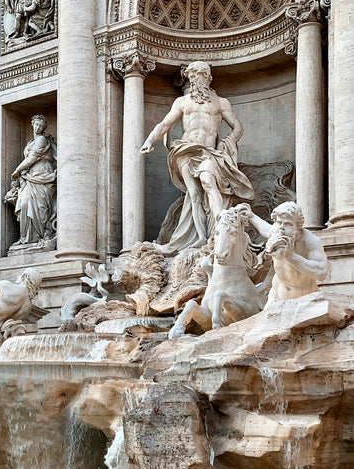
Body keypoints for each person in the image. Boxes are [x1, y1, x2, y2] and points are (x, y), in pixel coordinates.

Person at [140, 61, 254, 254]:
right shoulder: (182, 102)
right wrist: (149, 141)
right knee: (193, 194)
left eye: (198, 75)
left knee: (208, 181)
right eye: (191, 76)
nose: (194, 80)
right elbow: (164, 124)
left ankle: (222, 228)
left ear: (207, 77)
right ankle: (201, 237)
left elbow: (238, 127)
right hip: (185, 150)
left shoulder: (220, 102)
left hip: (208, 152)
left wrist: (226, 145)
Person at [243, 201, 328, 305]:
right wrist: (251, 216)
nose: (281, 228)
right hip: (276, 297)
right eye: (279, 222)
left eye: (288, 224)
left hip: (304, 299)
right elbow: (265, 228)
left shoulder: (310, 241)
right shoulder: (276, 232)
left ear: (298, 227)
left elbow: (321, 272)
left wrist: (291, 256)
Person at [6, 115, 57, 246]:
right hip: (30, 177)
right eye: (36, 124)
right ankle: (26, 238)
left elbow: (32, 159)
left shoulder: (42, 140)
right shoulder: (30, 143)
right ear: (32, 124)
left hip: (43, 174)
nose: (38, 127)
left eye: (41, 126)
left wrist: (17, 171)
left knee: (41, 207)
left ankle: (40, 235)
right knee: (24, 204)